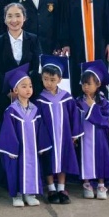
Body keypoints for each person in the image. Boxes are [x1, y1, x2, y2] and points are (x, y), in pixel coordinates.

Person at [58, 0, 109, 97]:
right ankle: (78, 106)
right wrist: (65, 42)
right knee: (77, 75)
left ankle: (101, 105)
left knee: (100, 75)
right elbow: (63, 19)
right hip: (76, 44)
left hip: (100, 43)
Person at [0, 64, 52, 207]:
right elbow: (8, 131)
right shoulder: (11, 110)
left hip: (31, 149)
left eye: (30, 86)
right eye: (24, 86)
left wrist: (41, 146)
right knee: (16, 170)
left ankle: (30, 193)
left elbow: (40, 129)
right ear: (15, 90)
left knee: (32, 167)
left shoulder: (35, 109)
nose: (28, 89)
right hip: (18, 150)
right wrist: (11, 149)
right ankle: (17, 195)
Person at [35, 55, 82, 204]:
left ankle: (61, 188)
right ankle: (51, 189)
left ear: (60, 79)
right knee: (48, 160)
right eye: (45, 79)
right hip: (47, 137)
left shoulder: (66, 97)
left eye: (52, 79)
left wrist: (74, 134)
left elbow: (74, 116)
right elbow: (38, 121)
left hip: (64, 136)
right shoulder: (40, 99)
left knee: (63, 160)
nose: (48, 83)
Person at [76, 60, 109, 200]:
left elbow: (104, 120)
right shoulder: (78, 101)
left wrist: (92, 106)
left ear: (98, 84)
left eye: (89, 84)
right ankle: (87, 184)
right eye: (83, 84)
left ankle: (101, 184)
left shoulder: (103, 102)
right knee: (85, 158)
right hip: (84, 136)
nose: (86, 87)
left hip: (99, 136)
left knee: (101, 158)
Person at [0, 3, 43, 113]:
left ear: (24, 18)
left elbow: (37, 68)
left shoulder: (33, 39)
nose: (14, 20)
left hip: (30, 94)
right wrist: (11, 92)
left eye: (18, 15)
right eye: (9, 16)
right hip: (6, 95)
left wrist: (25, 90)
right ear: (5, 19)